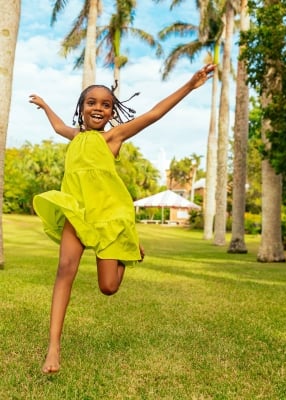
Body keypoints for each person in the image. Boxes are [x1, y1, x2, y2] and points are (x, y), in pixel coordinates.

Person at [29, 63, 215, 374]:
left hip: (112, 217)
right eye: (92, 103)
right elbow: (59, 127)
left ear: (113, 113)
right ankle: (53, 348)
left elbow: (153, 114)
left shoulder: (113, 138)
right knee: (64, 269)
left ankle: (129, 254)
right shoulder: (74, 137)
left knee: (109, 287)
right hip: (78, 211)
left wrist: (189, 85)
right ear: (82, 108)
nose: (98, 107)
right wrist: (46, 105)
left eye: (106, 104)